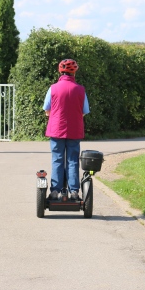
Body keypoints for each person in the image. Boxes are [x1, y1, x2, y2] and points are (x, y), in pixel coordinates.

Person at [43, 59, 90, 200]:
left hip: (56, 130)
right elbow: (84, 111)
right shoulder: (81, 90)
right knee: (73, 160)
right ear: (74, 72)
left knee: (57, 159)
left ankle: (55, 191)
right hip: (74, 130)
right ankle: (74, 191)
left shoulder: (53, 88)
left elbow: (47, 110)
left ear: (60, 71)